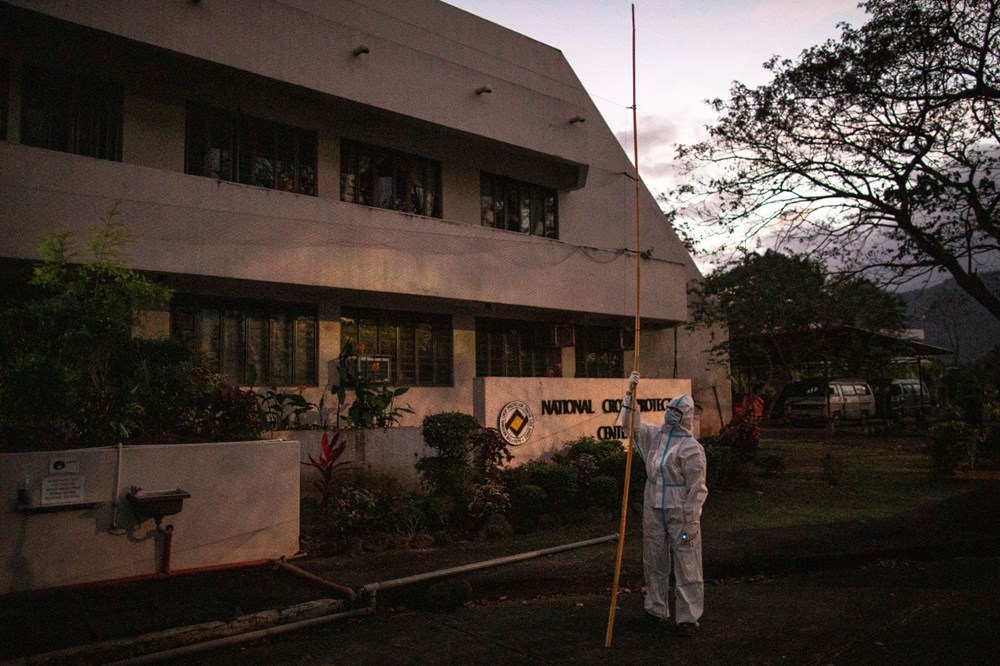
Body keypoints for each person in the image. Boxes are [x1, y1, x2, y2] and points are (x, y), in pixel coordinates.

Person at [620, 371, 708, 636]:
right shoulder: (655, 437)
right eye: (669, 408)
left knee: (686, 561)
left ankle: (688, 618)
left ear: (686, 416)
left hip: (679, 510)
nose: (669, 413)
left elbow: (697, 489)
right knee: (654, 558)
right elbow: (631, 426)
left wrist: (691, 520)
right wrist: (630, 395)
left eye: (676, 411)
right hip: (653, 506)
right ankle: (656, 608)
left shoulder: (692, 449)